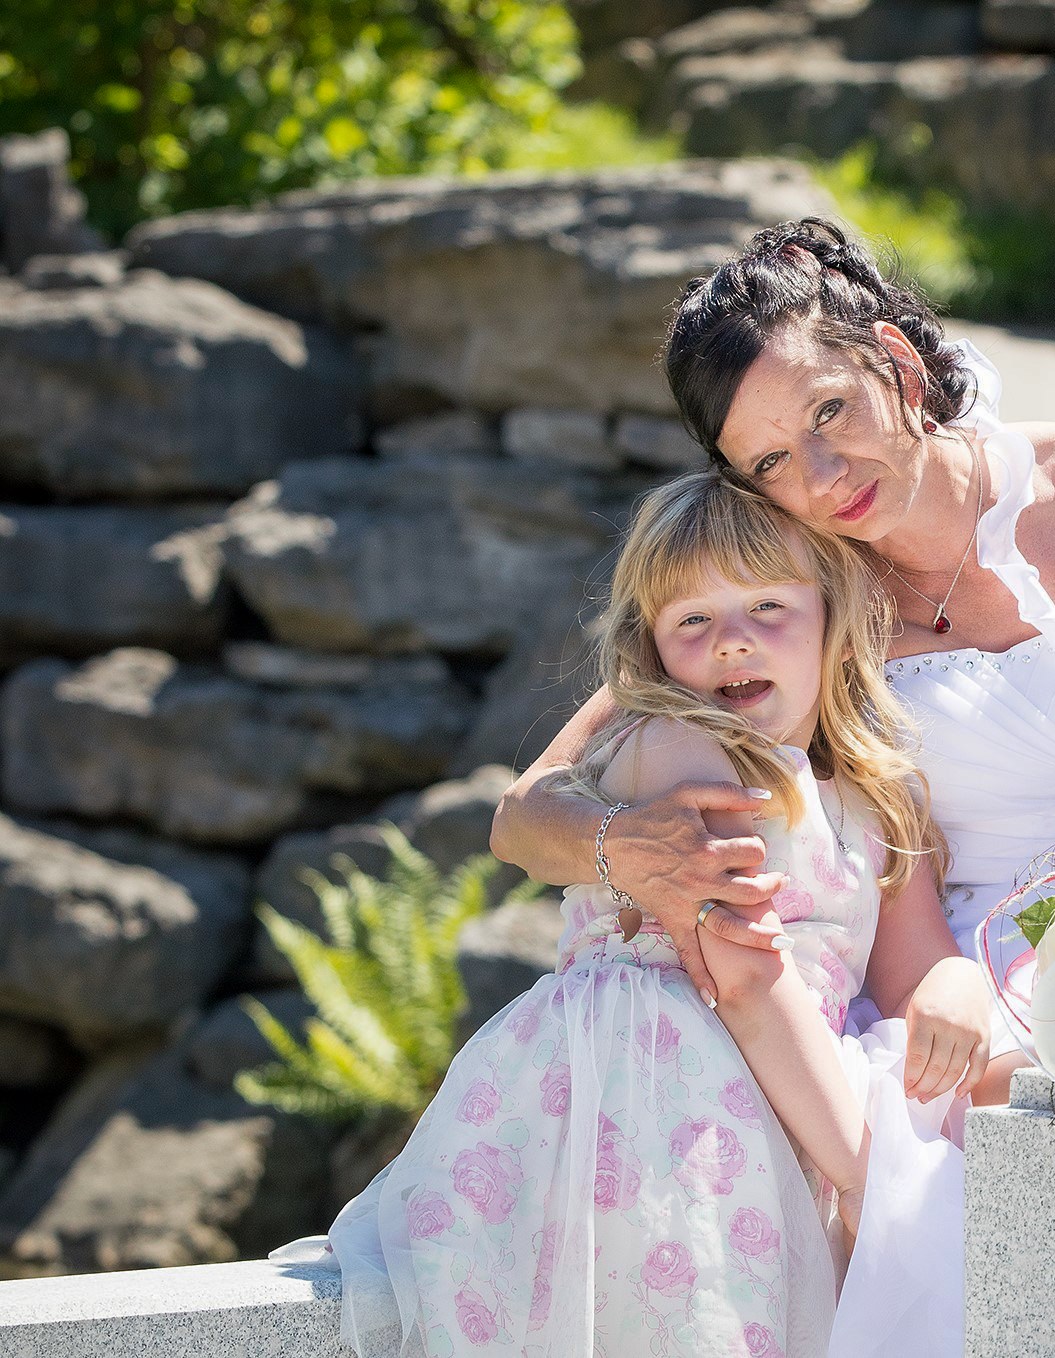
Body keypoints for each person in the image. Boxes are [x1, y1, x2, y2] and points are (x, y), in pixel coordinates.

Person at [490, 219, 1055, 1078]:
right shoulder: (784, 603)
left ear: (897, 360)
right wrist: (628, 845)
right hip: (941, 1003)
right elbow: (525, 818)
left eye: (831, 409)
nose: (823, 473)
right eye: (771, 462)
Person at [309, 474, 972, 1358]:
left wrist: (956, 980)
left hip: (775, 1102)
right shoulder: (682, 749)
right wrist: (861, 1169)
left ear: (836, 616)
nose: (731, 643)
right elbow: (743, 975)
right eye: (692, 621)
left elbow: (912, 965)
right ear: (653, 649)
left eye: (767, 605)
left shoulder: (875, 800)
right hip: (654, 1101)